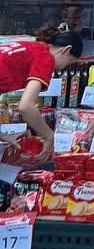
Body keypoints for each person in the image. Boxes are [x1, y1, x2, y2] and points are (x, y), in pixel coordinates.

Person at [0, 25, 84, 170]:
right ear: (66, 50)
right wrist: (49, 135)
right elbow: (26, 106)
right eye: (70, 61)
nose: (64, 67)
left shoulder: (30, 47)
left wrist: (3, 135)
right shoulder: (45, 58)